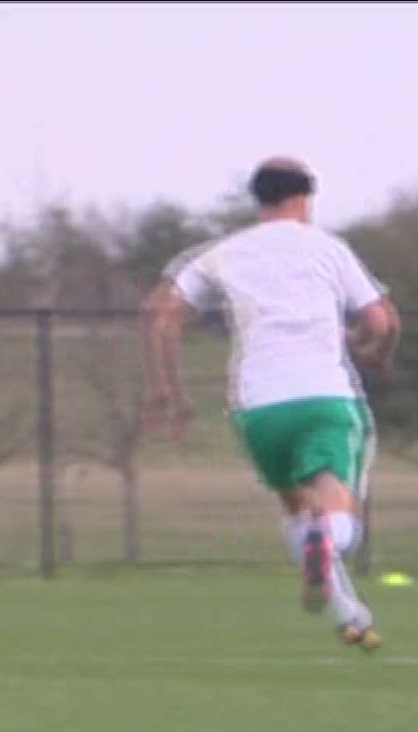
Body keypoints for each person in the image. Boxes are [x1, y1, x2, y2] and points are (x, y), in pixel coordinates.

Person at [140, 157, 400, 651]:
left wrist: (167, 391)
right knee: (339, 513)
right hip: (324, 396)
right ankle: (330, 543)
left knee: (298, 510)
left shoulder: (224, 253)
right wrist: (376, 354)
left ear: (259, 199)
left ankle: (349, 616)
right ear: (305, 198)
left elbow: (161, 314)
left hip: (258, 407)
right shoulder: (329, 249)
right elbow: (382, 321)